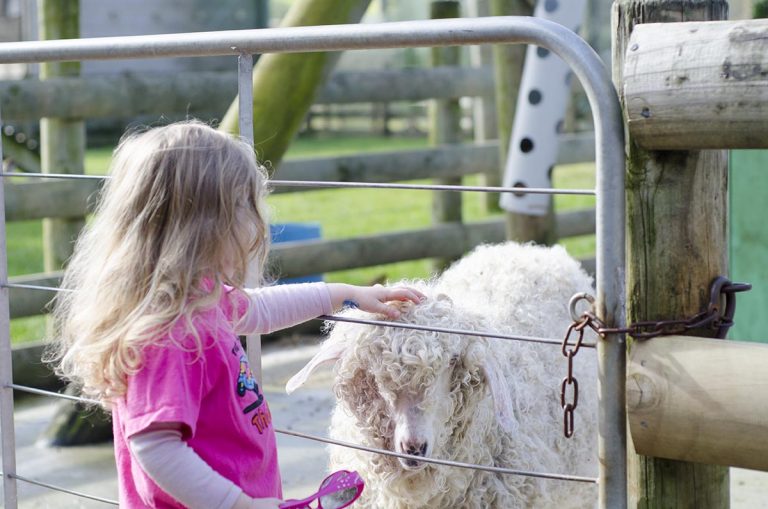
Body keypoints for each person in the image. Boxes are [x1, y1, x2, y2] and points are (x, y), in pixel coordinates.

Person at [46, 120, 425, 509]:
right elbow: (156, 448)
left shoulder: (199, 298)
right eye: (244, 203)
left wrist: (346, 295)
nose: (258, 219)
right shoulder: (169, 333)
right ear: (201, 224)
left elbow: (260, 308)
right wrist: (239, 504)